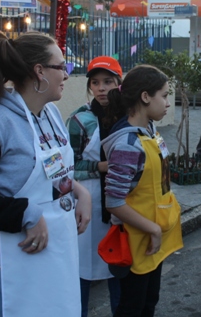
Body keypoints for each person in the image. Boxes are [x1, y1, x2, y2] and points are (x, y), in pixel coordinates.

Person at [0, 32, 92, 317]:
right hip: (11, 261)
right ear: (39, 71)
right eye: (61, 66)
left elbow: (51, 171)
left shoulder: (50, 113)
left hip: (56, 253)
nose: (67, 74)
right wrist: (26, 213)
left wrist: (78, 190)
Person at [101, 64, 184, 317]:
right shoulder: (127, 144)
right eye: (165, 95)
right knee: (132, 307)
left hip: (151, 237)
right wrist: (153, 229)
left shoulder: (150, 131)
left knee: (149, 301)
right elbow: (114, 201)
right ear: (145, 97)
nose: (168, 103)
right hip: (137, 240)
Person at [66, 56, 124, 316]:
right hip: (87, 204)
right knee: (82, 268)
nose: (101, 88)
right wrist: (99, 167)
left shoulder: (130, 116)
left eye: (108, 82)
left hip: (122, 204)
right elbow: (67, 166)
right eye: (95, 82)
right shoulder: (80, 119)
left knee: (119, 266)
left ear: (119, 83)